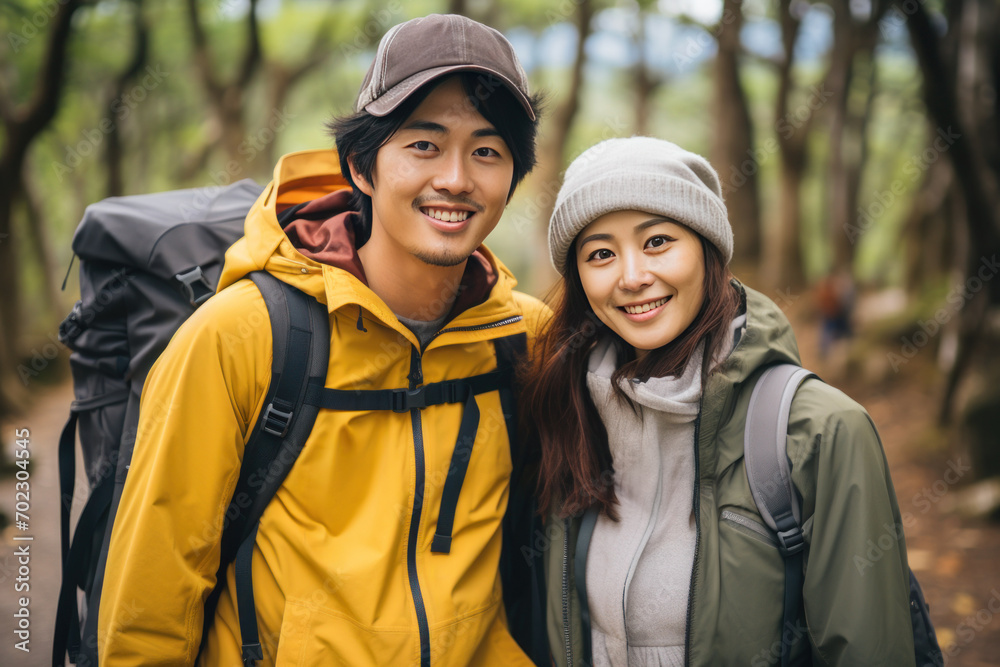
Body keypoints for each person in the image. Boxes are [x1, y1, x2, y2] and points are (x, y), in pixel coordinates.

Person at [98, 14, 548, 666]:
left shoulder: (523, 339)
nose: (455, 178)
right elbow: (149, 604)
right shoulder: (242, 336)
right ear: (362, 168)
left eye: (487, 150)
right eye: (423, 145)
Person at [523, 137, 916, 666]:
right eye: (600, 254)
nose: (633, 276)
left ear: (708, 249)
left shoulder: (821, 433)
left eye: (658, 240)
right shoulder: (565, 415)